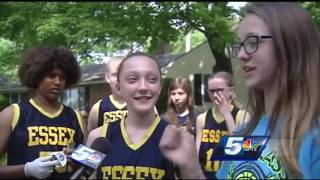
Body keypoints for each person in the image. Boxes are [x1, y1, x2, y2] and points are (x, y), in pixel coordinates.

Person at [217, 2, 320, 179]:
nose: (241, 54)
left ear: (289, 45)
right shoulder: (242, 134)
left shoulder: (315, 137)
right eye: (240, 45)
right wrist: (191, 168)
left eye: (252, 41)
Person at [89, 52, 205, 179]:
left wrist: (190, 170)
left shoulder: (180, 140)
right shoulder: (97, 138)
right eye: (133, 79)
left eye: (152, 79)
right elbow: (80, 174)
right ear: (119, 86)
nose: (143, 87)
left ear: (160, 88)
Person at [0, 47, 86, 179]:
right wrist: (26, 170)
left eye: (62, 77)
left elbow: (91, 165)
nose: (57, 82)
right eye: (51, 76)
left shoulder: (75, 117)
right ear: (37, 76)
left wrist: (78, 158)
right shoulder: (12, 114)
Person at [196, 71, 250, 179]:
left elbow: (239, 152)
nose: (215, 95)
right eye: (212, 91)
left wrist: (226, 114)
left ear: (231, 91)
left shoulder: (242, 115)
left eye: (220, 90)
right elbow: (196, 154)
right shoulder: (202, 118)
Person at [87, 56, 127, 133]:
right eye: (115, 75)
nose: (119, 79)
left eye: (123, 74)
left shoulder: (142, 105)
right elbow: (90, 141)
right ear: (107, 77)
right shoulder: (98, 108)